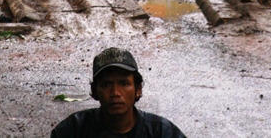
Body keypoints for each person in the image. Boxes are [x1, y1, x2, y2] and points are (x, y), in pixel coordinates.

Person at [50, 47, 187, 137]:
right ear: (95, 91)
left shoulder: (162, 133)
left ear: (138, 90)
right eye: (106, 84)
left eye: (124, 83)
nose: (115, 92)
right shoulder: (73, 130)